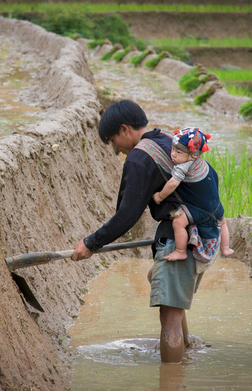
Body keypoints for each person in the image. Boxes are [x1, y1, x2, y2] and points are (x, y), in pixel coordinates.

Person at [71, 100, 207, 363]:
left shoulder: (139, 157)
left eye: (113, 141)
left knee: (169, 320)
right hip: (202, 229)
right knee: (156, 278)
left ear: (125, 129)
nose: (115, 149)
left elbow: (127, 215)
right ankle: (187, 351)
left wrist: (90, 243)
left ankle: (172, 377)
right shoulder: (168, 140)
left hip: (182, 234)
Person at [152, 127, 233, 262]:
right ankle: (225, 248)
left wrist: (159, 196)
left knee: (178, 223)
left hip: (200, 209)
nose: (173, 155)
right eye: (172, 149)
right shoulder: (202, 164)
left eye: (178, 152)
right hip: (216, 205)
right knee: (223, 222)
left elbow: (172, 184)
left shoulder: (184, 166)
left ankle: (180, 251)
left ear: (193, 155)